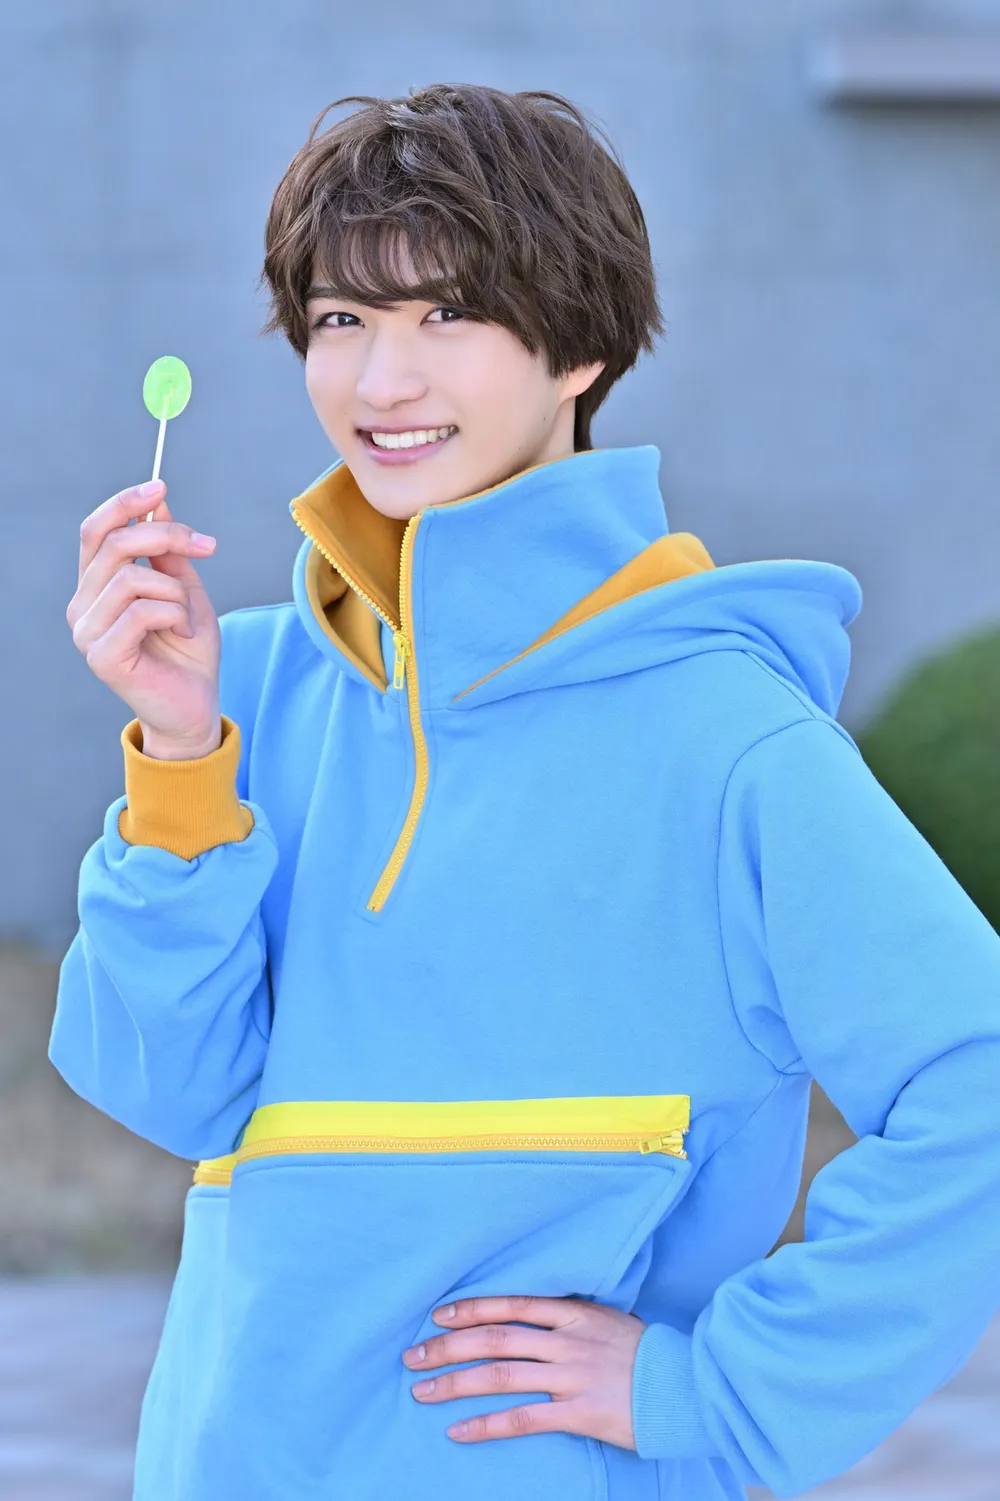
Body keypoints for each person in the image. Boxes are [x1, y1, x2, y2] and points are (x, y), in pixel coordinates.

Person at [52, 83, 1000, 1501]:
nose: (382, 381)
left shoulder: (725, 733)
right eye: (341, 319)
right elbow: (174, 1095)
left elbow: (979, 1083)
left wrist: (722, 1390)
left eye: (447, 314)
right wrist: (184, 758)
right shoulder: (247, 687)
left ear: (582, 348)